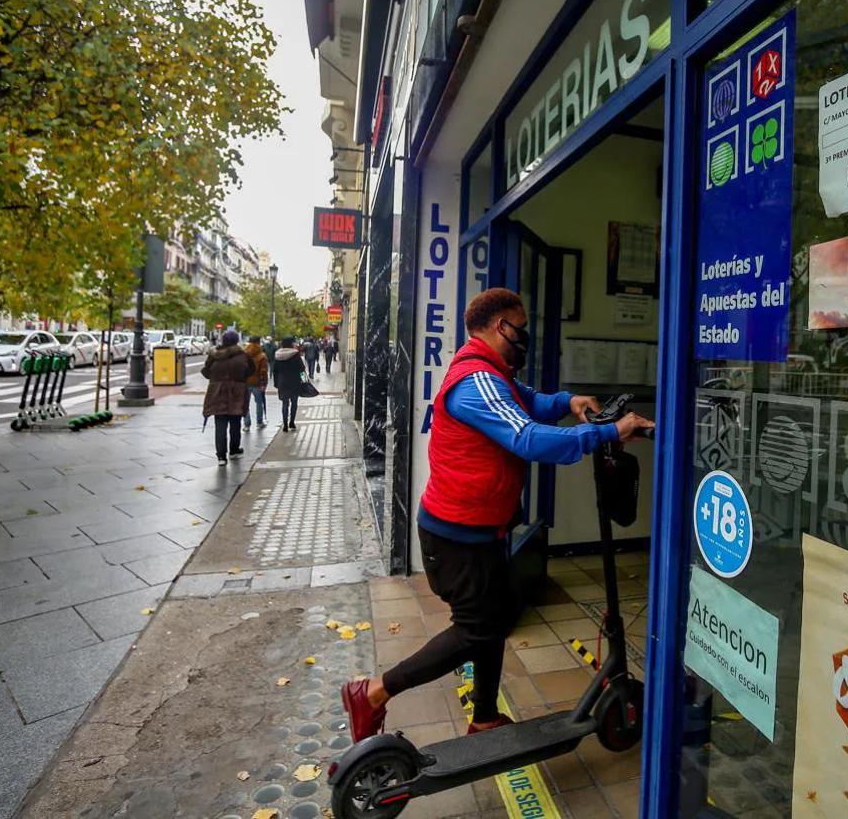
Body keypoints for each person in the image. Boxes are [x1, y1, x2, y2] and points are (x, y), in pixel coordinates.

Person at [340, 288, 653, 743]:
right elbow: (527, 438)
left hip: (479, 531)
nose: (524, 336)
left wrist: (569, 402)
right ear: (498, 325)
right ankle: (372, 692)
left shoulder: (493, 373)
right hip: (455, 538)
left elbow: (529, 402)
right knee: (476, 630)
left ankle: (484, 717)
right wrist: (608, 431)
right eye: (520, 327)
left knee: (494, 619)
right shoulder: (476, 381)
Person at [201, 329, 254, 466]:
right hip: (236, 392)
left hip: (217, 392)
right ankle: (234, 450)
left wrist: (216, 379)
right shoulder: (243, 355)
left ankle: (221, 456)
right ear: (236, 341)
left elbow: (206, 372)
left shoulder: (214, 355)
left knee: (220, 424)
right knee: (235, 422)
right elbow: (251, 370)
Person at [272, 336, 307, 432]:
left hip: (282, 382)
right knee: (294, 403)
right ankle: (292, 421)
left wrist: (276, 383)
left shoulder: (278, 355)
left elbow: (275, 371)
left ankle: (285, 424)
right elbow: (301, 369)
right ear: (291, 344)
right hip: (294, 382)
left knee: (284, 403)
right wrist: (304, 381)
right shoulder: (295, 354)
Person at [242, 335, 269, 431]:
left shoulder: (244, 354)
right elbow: (263, 371)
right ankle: (259, 422)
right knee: (259, 402)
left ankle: (246, 424)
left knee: (245, 403)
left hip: (245, 382)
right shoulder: (261, 355)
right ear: (259, 342)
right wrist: (264, 383)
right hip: (257, 382)